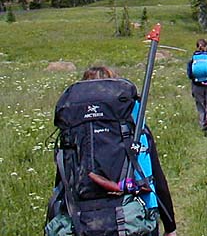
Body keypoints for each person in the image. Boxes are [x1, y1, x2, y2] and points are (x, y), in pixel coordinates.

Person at [51, 66, 178, 236]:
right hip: (133, 220)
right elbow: (154, 174)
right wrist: (170, 227)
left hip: (81, 221)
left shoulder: (73, 126)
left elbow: (63, 182)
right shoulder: (131, 122)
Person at [186, 38, 207, 138]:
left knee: (201, 106)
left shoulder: (194, 57)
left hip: (197, 85)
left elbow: (189, 72)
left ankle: (203, 126)